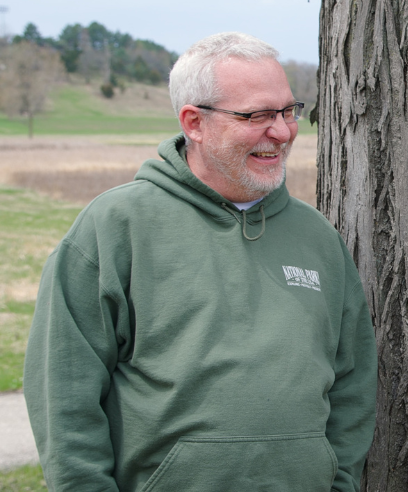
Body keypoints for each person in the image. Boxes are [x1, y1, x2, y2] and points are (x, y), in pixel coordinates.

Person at [24, 32, 377, 491]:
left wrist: (339, 482)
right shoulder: (116, 227)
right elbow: (64, 396)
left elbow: (352, 383)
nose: (283, 131)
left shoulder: (317, 238)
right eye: (257, 115)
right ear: (194, 122)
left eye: (289, 111)